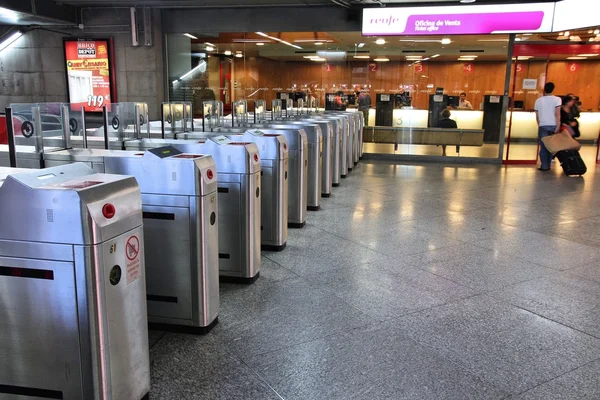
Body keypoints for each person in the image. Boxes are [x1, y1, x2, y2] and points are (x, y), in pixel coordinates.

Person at [534, 82, 561, 171]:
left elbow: (537, 116)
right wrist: (558, 125)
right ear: (553, 89)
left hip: (543, 125)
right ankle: (548, 164)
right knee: (551, 146)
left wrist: (539, 124)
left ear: (544, 89)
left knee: (544, 146)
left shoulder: (538, 100)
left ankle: (544, 166)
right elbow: (557, 113)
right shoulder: (557, 99)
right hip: (553, 125)